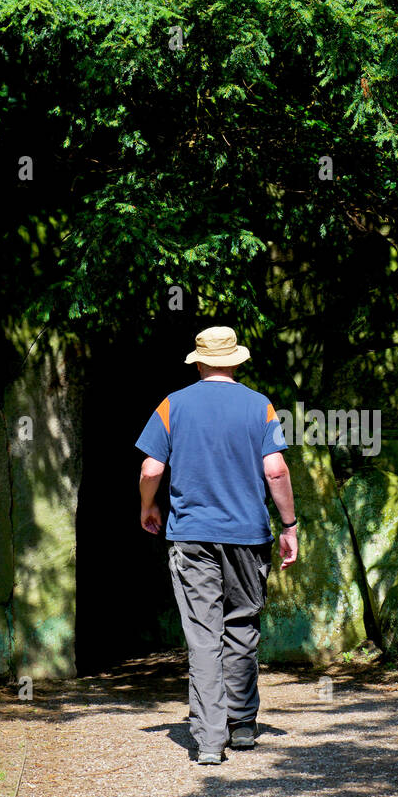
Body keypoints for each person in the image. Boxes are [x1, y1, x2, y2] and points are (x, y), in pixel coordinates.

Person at [135, 325, 299, 766]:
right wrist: (289, 525)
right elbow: (276, 471)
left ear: (200, 361)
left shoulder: (174, 405)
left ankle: (209, 740)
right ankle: (243, 726)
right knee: (242, 626)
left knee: (203, 635)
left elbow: (151, 468)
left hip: (191, 536)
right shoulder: (260, 406)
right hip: (247, 535)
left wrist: (149, 507)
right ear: (237, 361)